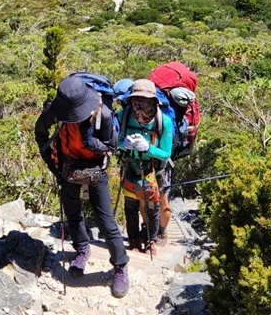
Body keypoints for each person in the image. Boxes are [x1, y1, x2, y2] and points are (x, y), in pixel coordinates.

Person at [35, 74, 130, 298]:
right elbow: (40, 133)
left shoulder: (103, 114)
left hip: (96, 169)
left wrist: (91, 143)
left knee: (106, 221)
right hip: (68, 166)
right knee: (73, 213)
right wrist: (53, 166)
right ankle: (82, 249)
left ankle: (120, 265)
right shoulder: (55, 112)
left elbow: (111, 147)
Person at [118, 79, 174, 252]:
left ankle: (151, 241)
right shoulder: (123, 116)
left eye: (144, 101)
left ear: (153, 102)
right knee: (131, 205)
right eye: (136, 101)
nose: (139, 106)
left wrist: (148, 148)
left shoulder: (164, 122)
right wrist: (123, 145)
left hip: (153, 170)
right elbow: (114, 142)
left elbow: (166, 153)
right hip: (130, 166)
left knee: (152, 207)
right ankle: (134, 241)